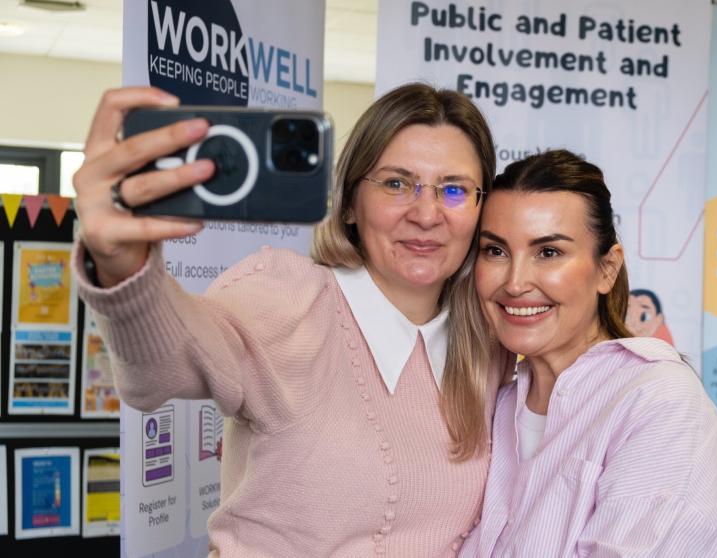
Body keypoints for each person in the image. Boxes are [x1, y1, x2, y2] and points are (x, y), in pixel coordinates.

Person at [71, 83, 511, 556]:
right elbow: (164, 367)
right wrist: (123, 266)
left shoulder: (486, 343)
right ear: (347, 204)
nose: (427, 214)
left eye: (454, 189)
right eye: (396, 183)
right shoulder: (289, 300)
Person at [463, 149, 717, 557]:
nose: (515, 283)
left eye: (548, 252)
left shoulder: (659, 400)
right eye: (495, 251)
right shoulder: (497, 405)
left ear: (607, 269)